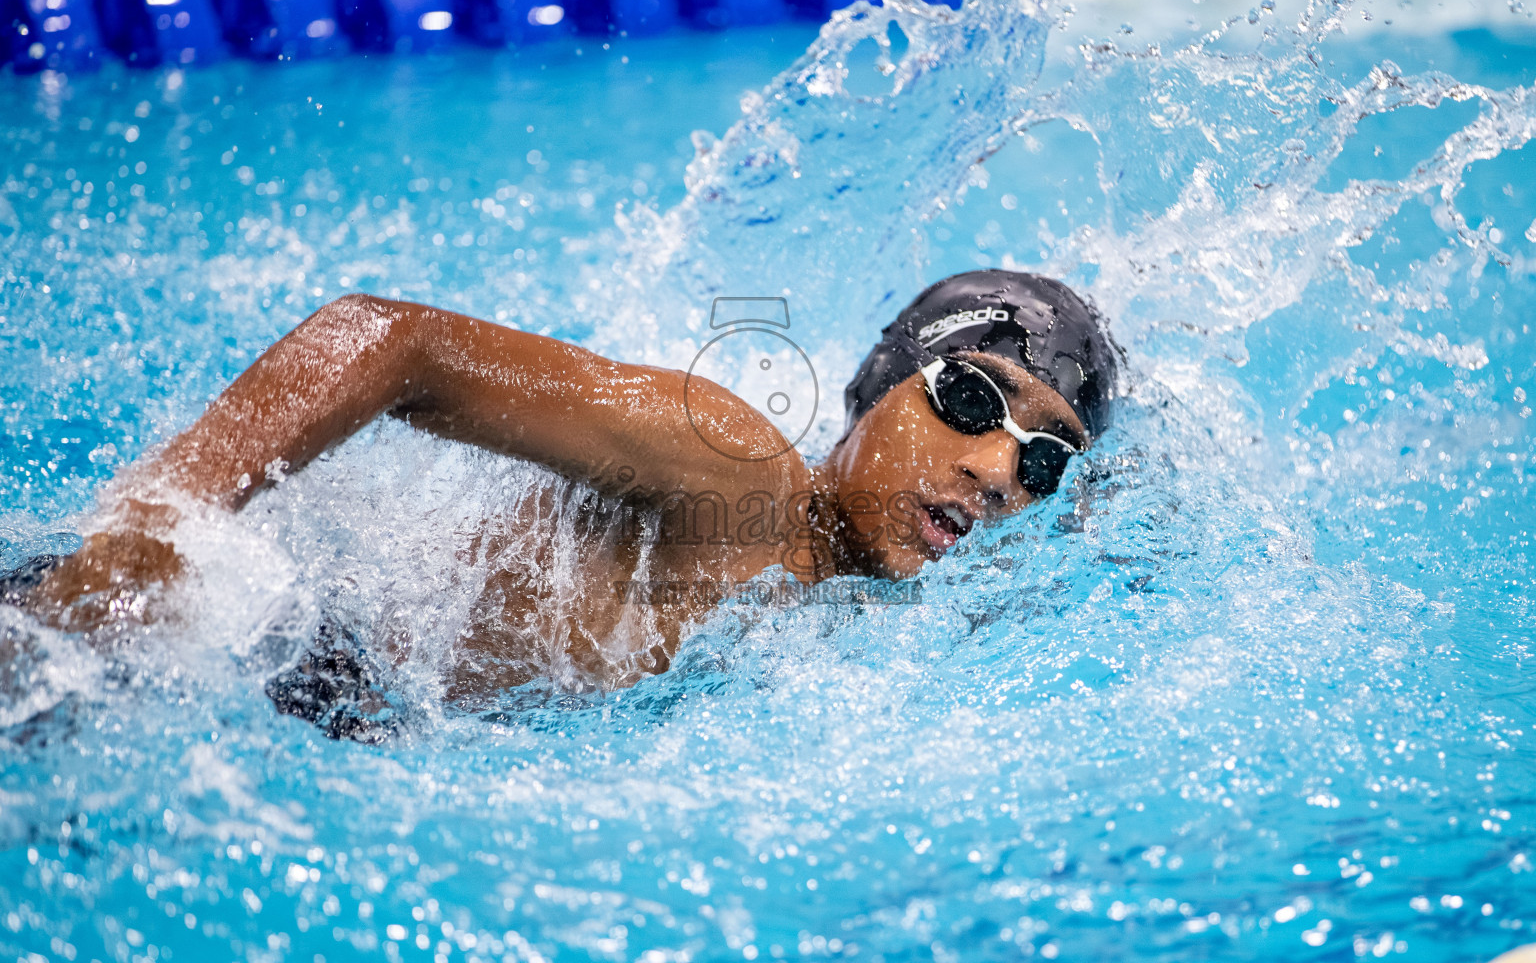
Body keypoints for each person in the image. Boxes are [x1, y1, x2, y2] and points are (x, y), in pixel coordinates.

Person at [13, 269, 1118, 708]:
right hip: (189, 645)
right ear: (879, 388)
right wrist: (158, 525)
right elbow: (391, 340)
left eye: (1044, 459)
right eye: (972, 398)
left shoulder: (873, 622)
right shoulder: (738, 470)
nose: (995, 470)